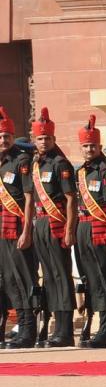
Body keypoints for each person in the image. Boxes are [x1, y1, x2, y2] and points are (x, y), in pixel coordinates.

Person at [25, 108, 75, 348]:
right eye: (40, 138)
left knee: (61, 275)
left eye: (47, 138)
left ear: (54, 139)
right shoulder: (35, 165)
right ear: (35, 140)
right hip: (40, 223)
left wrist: (69, 229)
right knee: (49, 277)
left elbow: (70, 199)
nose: (44, 142)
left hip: (56, 223)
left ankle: (65, 329)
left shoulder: (60, 164)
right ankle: (55, 324)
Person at [74, 116, 106, 349]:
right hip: (83, 229)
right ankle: (100, 325)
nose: (89, 149)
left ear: (100, 147)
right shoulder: (80, 172)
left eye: (93, 145)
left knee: (105, 279)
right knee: (91, 279)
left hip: (100, 228)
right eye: (85, 146)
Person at [0, 107, 38, 349]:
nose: (3, 140)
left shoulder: (21, 161)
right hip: (1, 230)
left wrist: (26, 231)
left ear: (12, 137)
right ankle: (15, 326)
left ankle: (28, 329)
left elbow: (28, 198)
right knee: (7, 280)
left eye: (6, 136)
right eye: (0, 137)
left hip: (17, 228)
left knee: (23, 279)